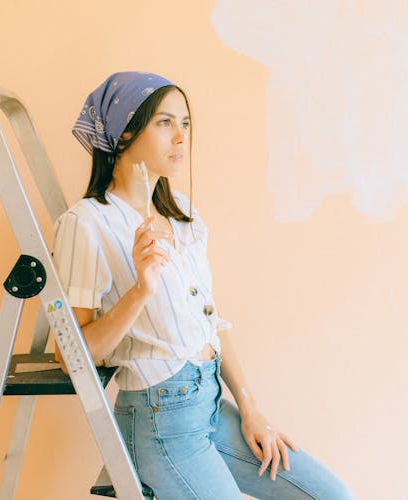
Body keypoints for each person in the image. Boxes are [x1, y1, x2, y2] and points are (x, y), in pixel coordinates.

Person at [51, 71, 352, 500]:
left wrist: (250, 407)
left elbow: (212, 322)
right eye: (165, 122)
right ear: (124, 133)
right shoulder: (87, 223)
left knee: (333, 496)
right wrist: (141, 289)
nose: (181, 137)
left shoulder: (181, 216)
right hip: (160, 421)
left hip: (210, 405)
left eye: (186, 123)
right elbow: (72, 356)